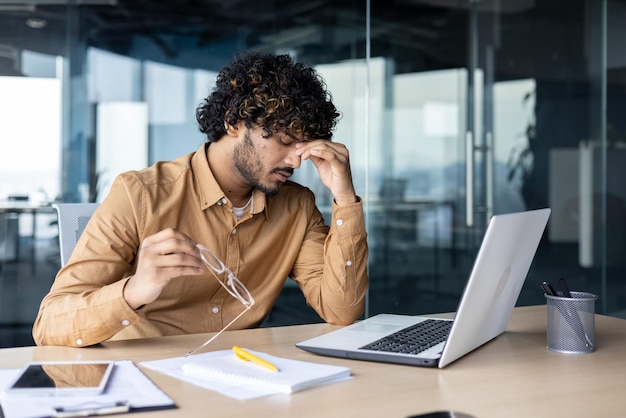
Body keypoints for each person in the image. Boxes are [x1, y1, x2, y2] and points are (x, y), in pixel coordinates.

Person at [32, 52, 368, 347]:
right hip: (144, 376)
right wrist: (135, 289)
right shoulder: (140, 194)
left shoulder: (297, 206)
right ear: (234, 123)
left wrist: (345, 197)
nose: (296, 162)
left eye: (303, 148)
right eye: (283, 140)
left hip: (243, 375)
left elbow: (340, 310)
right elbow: (50, 325)